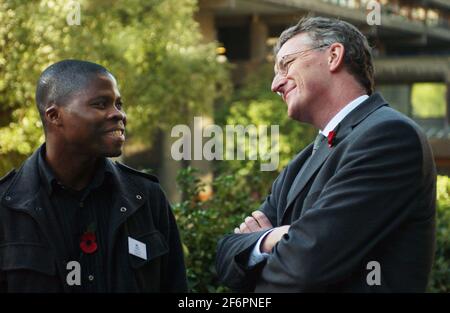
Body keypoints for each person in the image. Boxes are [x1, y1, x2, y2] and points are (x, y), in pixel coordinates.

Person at [216, 16, 436, 292]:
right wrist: (274, 238)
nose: (275, 85)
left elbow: (305, 266)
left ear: (333, 56)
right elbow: (226, 256)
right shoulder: (305, 158)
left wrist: (266, 247)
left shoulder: (390, 137)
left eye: (286, 65)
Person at [0, 60, 187, 292]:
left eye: (118, 104)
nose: (119, 114)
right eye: (101, 104)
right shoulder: (6, 207)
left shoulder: (146, 198)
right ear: (54, 116)